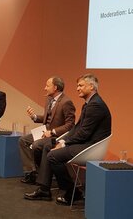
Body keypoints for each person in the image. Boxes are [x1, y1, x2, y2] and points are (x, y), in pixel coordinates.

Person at [24, 73, 111, 204]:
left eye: (81, 85)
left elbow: (84, 133)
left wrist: (64, 143)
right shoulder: (89, 103)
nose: (77, 88)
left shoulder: (95, 105)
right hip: (84, 142)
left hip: (90, 146)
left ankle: (73, 192)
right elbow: (77, 129)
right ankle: (44, 189)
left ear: (91, 87)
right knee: (48, 146)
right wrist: (61, 141)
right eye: (77, 85)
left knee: (53, 156)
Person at [19, 76, 76, 184]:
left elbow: (70, 125)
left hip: (56, 136)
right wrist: (34, 117)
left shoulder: (66, 102)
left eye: (47, 85)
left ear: (55, 88)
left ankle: (42, 174)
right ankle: (31, 172)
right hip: (44, 132)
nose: (45, 88)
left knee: (36, 145)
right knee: (23, 140)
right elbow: (47, 118)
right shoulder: (49, 99)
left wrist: (53, 132)